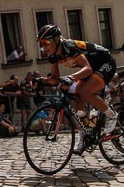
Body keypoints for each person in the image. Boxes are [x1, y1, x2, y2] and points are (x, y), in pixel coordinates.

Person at [37, 24, 118, 154]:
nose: (43, 46)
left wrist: (71, 77)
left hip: (104, 63)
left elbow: (87, 68)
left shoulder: (69, 46)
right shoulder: (52, 56)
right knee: (77, 100)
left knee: (86, 92)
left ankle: (112, 116)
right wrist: (43, 81)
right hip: (90, 70)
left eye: (46, 42)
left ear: (57, 40)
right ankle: (84, 137)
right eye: (41, 43)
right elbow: (55, 78)